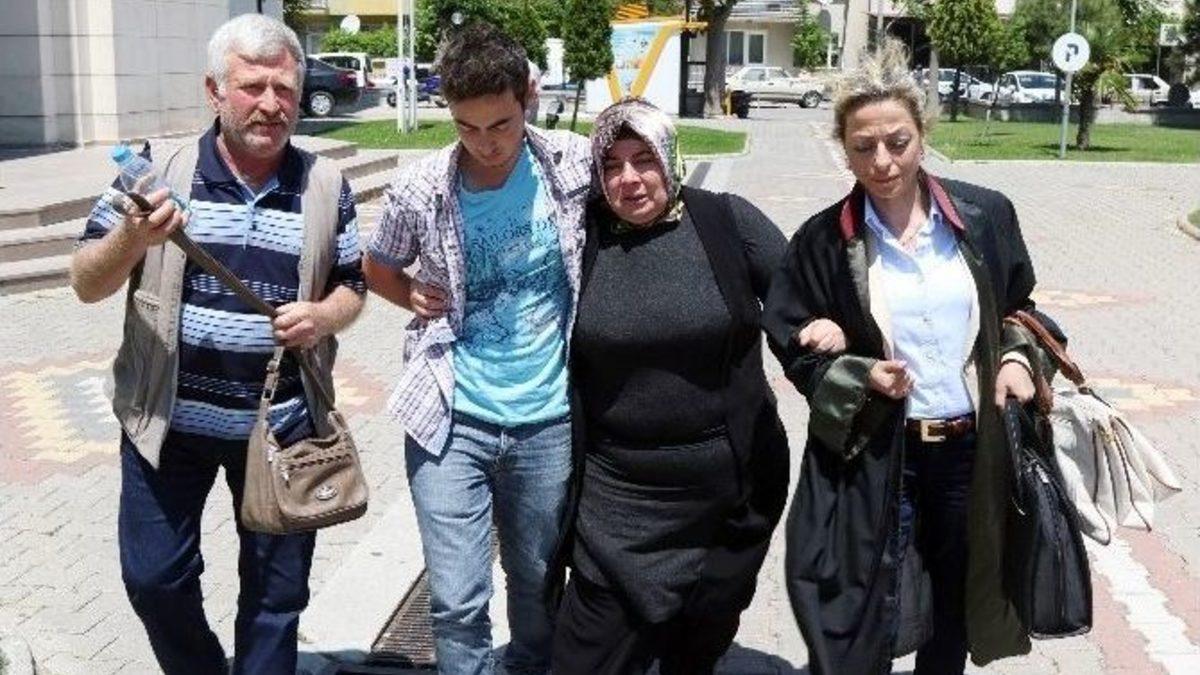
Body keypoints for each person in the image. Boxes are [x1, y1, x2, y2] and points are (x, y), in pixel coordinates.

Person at [68, 13, 366, 675]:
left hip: (283, 428)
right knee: (155, 580)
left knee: (276, 599)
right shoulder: (154, 172)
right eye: (253, 86)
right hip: (165, 424)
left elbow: (352, 285)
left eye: (284, 89)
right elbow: (86, 281)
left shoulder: (326, 184)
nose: (271, 104)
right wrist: (134, 238)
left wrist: (322, 316)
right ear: (215, 91)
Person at [762, 38, 1062, 675]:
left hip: (968, 450)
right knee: (869, 600)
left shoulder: (984, 215)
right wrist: (852, 369)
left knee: (955, 598)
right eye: (863, 146)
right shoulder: (823, 240)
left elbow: (1020, 307)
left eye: (897, 142)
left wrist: (1015, 359)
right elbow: (790, 337)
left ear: (923, 135)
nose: (882, 161)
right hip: (876, 451)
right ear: (843, 148)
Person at [362, 22, 591, 675]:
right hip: (450, 418)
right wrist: (410, 293)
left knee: (537, 584)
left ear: (528, 97)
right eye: (467, 127)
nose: (485, 143)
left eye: (501, 124)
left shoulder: (572, 164)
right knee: (458, 599)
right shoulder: (421, 187)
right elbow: (377, 266)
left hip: (547, 419)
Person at [549, 98, 790, 675]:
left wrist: (829, 344)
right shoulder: (578, 237)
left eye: (644, 159)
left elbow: (802, 299)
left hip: (723, 502)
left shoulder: (725, 222)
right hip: (616, 502)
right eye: (611, 164)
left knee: (694, 654)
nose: (628, 179)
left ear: (670, 157)